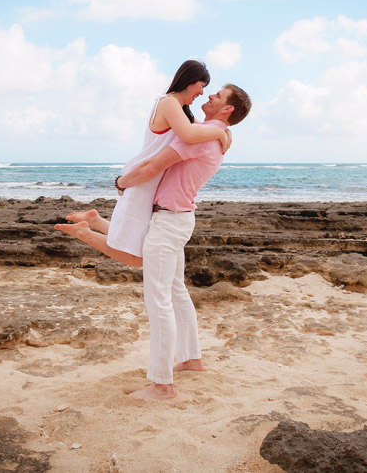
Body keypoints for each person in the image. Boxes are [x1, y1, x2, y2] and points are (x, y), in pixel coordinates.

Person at [80, 84, 251, 400]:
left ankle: (162, 384)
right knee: (175, 292)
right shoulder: (214, 135)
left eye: (218, 96)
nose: (210, 96)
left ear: (227, 109)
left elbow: (152, 167)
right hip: (179, 219)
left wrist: (121, 183)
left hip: (170, 221)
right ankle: (190, 359)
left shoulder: (200, 137)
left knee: (158, 300)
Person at [55, 60, 230, 267]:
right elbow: (191, 134)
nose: (202, 93)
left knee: (136, 241)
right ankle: (85, 232)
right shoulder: (168, 103)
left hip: (151, 178)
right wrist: (221, 132)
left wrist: (225, 133)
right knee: (138, 257)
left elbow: (202, 130)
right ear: (189, 81)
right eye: (202, 86)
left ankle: (94, 220)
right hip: (143, 177)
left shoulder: (181, 110)